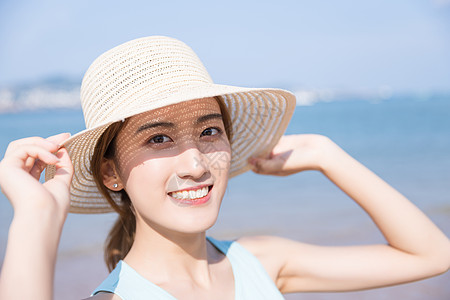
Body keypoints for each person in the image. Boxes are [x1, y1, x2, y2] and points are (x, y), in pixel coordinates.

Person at [0, 36, 449, 300]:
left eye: (210, 132)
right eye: (158, 138)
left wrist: (326, 153)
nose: (196, 164)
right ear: (110, 174)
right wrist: (37, 215)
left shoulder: (259, 262)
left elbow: (431, 255)